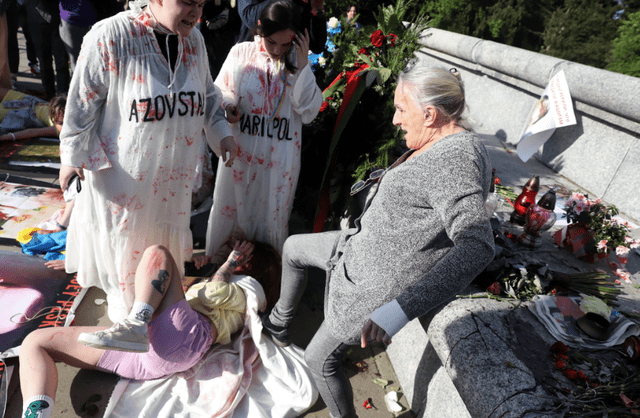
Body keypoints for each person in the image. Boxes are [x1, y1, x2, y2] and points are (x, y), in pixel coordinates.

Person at [261, 65, 496, 417]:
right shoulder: (445, 144)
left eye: (401, 109)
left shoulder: (454, 159)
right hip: (356, 248)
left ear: (429, 114)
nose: (395, 120)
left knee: (318, 359)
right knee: (294, 247)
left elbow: (477, 245)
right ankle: (278, 323)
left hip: (370, 287)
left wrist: (398, 310)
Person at [58, 0, 238, 323]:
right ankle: (128, 325)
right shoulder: (112, 36)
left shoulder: (193, 41)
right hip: (125, 189)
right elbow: (79, 109)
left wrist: (222, 132)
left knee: (161, 260)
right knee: (128, 274)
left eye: (201, 3)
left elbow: (208, 95)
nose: (196, 13)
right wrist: (71, 158)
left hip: (172, 187)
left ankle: (150, 314)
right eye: (187, 2)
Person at [18, 240, 276, 418]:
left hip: (182, 336)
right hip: (156, 354)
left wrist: (229, 264)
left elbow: (215, 290)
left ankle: (136, 324)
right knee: (36, 342)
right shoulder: (241, 297)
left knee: (158, 252)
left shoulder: (248, 287)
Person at [204, 0, 322, 264]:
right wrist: (229, 104)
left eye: (285, 43)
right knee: (229, 212)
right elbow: (219, 89)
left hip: (278, 163)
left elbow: (309, 110)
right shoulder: (241, 53)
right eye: (272, 43)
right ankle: (217, 277)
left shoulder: (297, 61)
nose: (278, 50)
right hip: (240, 155)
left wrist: (302, 66)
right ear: (259, 29)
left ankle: (263, 281)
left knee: (271, 217)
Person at [236, 0, 326, 54]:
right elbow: (249, 16)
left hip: (288, 70)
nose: (277, 51)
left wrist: (317, 10)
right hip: (253, 60)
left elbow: (317, 46)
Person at [0, 89, 65, 141]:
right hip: (31, 102)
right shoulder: (71, 108)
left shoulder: (63, 128)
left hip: (22, 114)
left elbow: (33, 132)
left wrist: (5, 137)